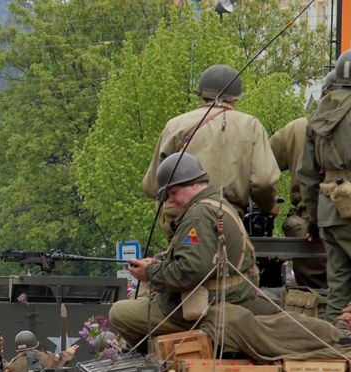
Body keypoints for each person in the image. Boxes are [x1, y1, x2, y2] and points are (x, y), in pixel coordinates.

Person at [112, 152, 269, 347]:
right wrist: (158, 262)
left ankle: (155, 356)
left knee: (119, 313)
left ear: (193, 184)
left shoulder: (199, 215)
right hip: (232, 295)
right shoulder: (217, 203)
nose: (171, 200)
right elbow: (197, 258)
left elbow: (190, 270)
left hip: (209, 305)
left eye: (173, 192)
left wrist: (151, 273)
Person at [142, 64, 279, 232]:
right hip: (225, 220)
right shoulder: (250, 126)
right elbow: (263, 181)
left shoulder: (175, 125)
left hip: (181, 222)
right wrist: (268, 206)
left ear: (201, 95)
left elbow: (151, 187)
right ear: (235, 98)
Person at [301, 50, 351, 322]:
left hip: (329, 208)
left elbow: (306, 174)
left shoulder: (319, 113)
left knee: (338, 285)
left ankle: (334, 347)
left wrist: (313, 219)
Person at [270, 74, 333, 290]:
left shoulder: (298, 128)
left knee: (314, 298)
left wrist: (267, 202)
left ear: (323, 93)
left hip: (309, 230)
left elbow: (262, 170)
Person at [2, 331, 78, 372]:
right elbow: (59, 358)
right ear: (35, 344)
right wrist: (68, 352)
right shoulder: (48, 357)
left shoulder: (14, 364)